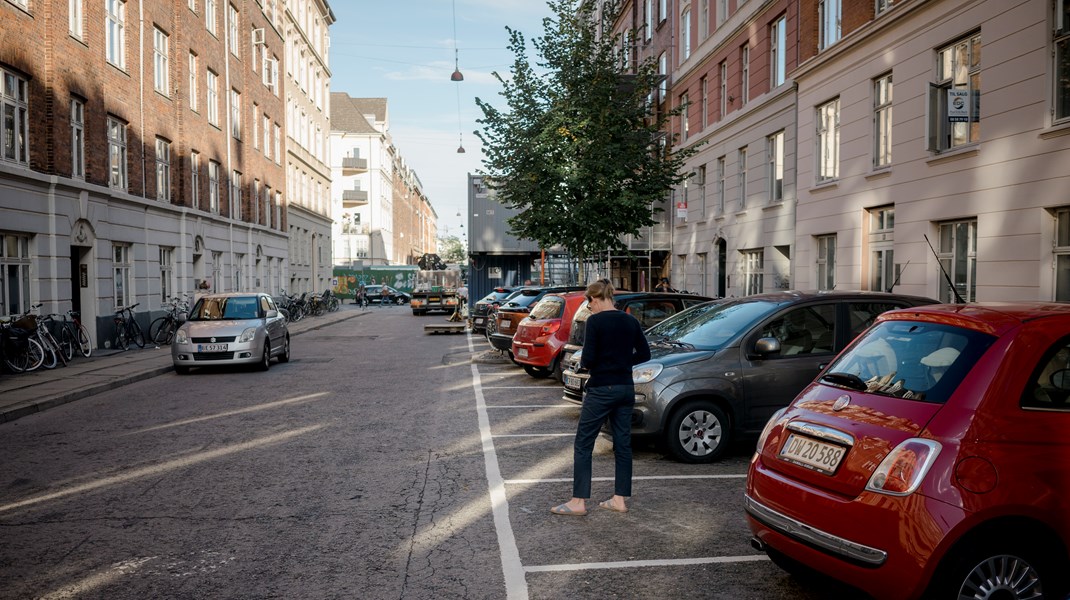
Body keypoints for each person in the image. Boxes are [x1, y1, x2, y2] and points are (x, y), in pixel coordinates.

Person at [551, 279, 651, 516]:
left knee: (584, 443)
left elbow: (588, 359)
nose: (590, 308)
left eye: (589, 303)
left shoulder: (594, 321)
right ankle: (619, 499)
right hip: (625, 388)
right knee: (623, 445)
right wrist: (623, 363)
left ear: (594, 299)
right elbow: (645, 353)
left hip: (601, 389)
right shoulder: (630, 320)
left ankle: (578, 502)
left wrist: (593, 365)